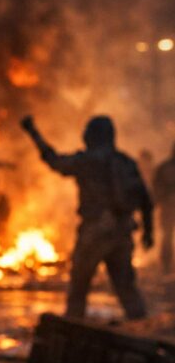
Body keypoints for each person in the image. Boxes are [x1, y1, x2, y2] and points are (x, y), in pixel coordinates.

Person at [21, 115, 152, 320]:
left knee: (78, 289)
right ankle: (146, 334)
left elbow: (54, 161)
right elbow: (145, 199)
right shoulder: (125, 162)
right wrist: (148, 232)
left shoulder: (87, 161)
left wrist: (33, 132)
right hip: (122, 234)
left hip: (94, 234)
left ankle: (72, 334)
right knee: (127, 290)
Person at [153, 143, 175, 273]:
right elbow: (156, 187)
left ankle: (166, 265)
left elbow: (156, 187)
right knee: (167, 236)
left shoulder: (163, 167)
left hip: (167, 206)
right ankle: (166, 264)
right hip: (168, 206)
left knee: (167, 235)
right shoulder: (164, 168)